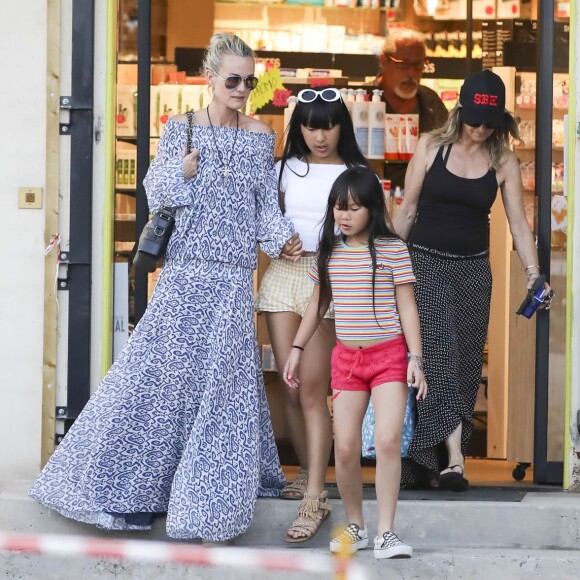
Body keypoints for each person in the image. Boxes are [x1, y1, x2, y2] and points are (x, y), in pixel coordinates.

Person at [29, 32, 303, 543]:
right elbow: (156, 193)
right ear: (211, 78)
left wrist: (282, 239)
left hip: (234, 276)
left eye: (250, 80)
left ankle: (208, 503)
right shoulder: (181, 129)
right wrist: (182, 170)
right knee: (159, 382)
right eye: (233, 79)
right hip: (185, 274)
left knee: (224, 387)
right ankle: (128, 493)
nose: (242, 89)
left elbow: (265, 203)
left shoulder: (262, 136)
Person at [393, 69, 553, 491]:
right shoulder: (430, 146)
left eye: (490, 123)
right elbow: (407, 210)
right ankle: (456, 459)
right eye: (474, 120)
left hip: (473, 271)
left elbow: (519, 224)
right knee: (439, 354)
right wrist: (383, 265)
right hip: (424, 264)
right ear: (459, 111)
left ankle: (426, 462)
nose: (481, 130)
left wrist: (535, 275)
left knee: (463, 365)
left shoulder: (503, 160)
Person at [283, 166, 427, 559]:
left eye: (353, 208)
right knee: (344, 449)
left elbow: (407, 306)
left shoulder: (393, 249)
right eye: (337, 207)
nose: (343, 215)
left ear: (372, 210)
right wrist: (296, 348)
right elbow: (317, 305)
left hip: (389, 357)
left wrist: (416, 359)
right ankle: (356, 526)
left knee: (387, 440)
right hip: (347, 360)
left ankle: (386, 531)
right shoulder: (328, 249)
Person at [255, 87, 369, 543]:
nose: (319, 135)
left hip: (328, 279)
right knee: (290, 381)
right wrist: (277, 240)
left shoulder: (356, 173)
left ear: (343, 125)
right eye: (309, 125)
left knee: (314, 387)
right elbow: (263, 219)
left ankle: (315, 495)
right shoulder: (283, 169)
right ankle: (307, 471)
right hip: (283, 274)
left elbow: (371, 232)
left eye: (328, 124)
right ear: (297, 127)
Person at [375, 28, 448, 189]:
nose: (411, 73)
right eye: (403, 64)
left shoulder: (431, 102)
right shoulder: (366, 104)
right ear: (384, 61)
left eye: (418, 65)